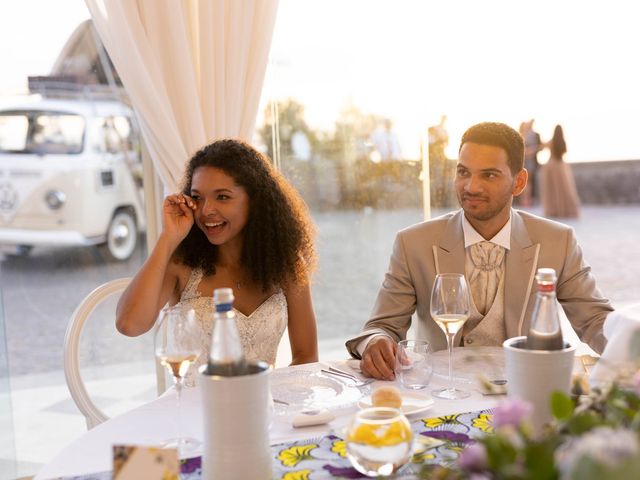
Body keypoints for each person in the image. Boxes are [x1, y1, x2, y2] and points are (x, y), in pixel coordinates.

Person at [346, 122, 611, 380]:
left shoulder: (558, 241)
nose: (471, 187)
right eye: (463, 172)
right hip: (441, 393)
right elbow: (381, 327)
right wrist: (376, 342)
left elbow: (595, 320)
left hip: (524, 390)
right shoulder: (412, 243)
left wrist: (630, 345)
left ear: (519, 182)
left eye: (489, 175)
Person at [116, 139, 319, 374]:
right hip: (194, 406)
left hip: (263, 405)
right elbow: (129, 325)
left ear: (255, 200)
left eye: (222, 197)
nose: (206, 210)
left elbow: (307, 355)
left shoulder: (286, 263)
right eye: (198, 197)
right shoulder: (181, 263)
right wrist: (168, 238)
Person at [540, 124, 580, 218]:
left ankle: (554, 210)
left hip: (551, 166)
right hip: (561, 166)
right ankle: (566, 210)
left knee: (552, 190)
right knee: (564, 189)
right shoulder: (562, 142)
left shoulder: (551, 142)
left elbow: (541, 146)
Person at [517, 119, 542, 207]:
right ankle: (526, 200)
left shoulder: (526, 135)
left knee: (526, 181)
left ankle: (525, 200)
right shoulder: (526, 136)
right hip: (526, 161)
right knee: (526, 182)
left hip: (527, 161)